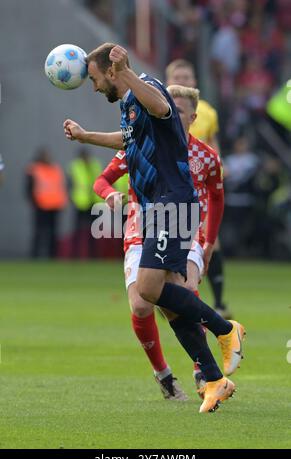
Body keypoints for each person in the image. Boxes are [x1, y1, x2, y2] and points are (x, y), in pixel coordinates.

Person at [63, 43, 245, 413]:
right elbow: (127, 141)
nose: (95, 88)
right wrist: (86, 137)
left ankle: (226, 330)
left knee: (147, 290)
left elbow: (163, 109)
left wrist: (127, 71)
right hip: (154, 208)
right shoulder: (130, 104)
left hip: (172, 202)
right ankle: (214, 379)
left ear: (112, 72)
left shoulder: (147, 88)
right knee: (171, 301)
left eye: (96, 79)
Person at [93, 85, 225, 400]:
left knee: (182, 293)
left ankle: (204, 371)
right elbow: (102, 179)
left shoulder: (206, 156)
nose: (171, 114)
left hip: (185, 229)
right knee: (142, 304)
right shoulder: (141, 142)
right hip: (141, 230)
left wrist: (208, 243)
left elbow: (217, 198)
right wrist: (109, 193)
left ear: (193, 118)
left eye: (178, 110)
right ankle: (164, 374)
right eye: (169, 108)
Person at [165, 59, 231, 319]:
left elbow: (213, 144)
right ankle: (182, 300)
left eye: (187, 76)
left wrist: (217, 169)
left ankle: (216, 302)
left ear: (194, 81)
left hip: (200, 186)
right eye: (177, 76)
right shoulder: (160, 108)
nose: (182, 80)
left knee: (209, 243)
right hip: (170, 190)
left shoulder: (207, 112)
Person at [26, 148, 68, 258]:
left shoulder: (55, 168)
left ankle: (52, 255)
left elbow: (61, 186)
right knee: (39, 232)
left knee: (53, 233)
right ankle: (35, 255)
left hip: (55, 206)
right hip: (40, 206)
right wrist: (34, 202)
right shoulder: (34, 169)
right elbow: (29, 188)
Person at [69, 147, 103, 258]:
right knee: (78, 230)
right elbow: (71, 184)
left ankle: (93, 254)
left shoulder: (95, 165)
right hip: (80, 203)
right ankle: (76, 254)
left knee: (94, 232)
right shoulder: (75, 166)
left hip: (94, 202)